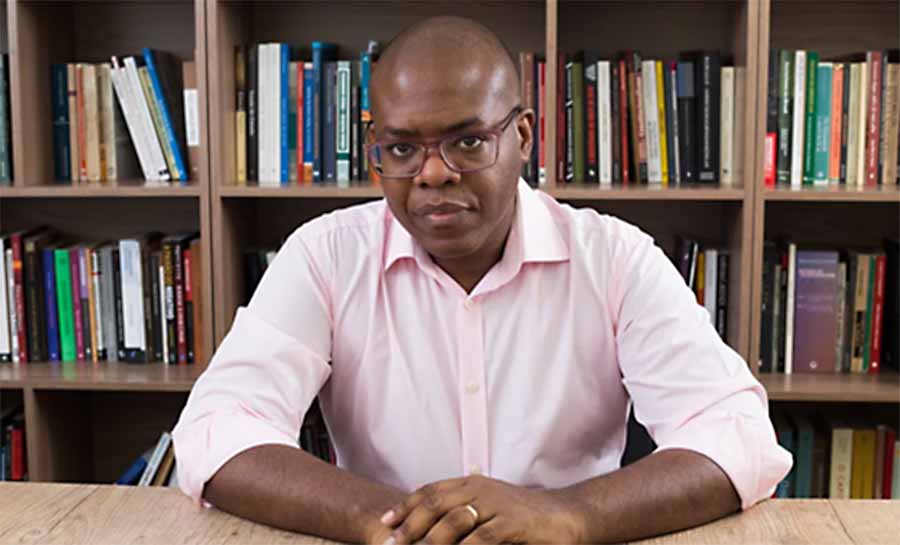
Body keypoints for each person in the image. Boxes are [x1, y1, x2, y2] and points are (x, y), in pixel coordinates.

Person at [172, 16, 791, 545]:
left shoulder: (614, 259)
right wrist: (392, 522)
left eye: (468, 141)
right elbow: (215, 428)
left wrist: (566, 514)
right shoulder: (325, 255)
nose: (433, 173)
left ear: (522, 136)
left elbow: (737, 435)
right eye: (402, 149)